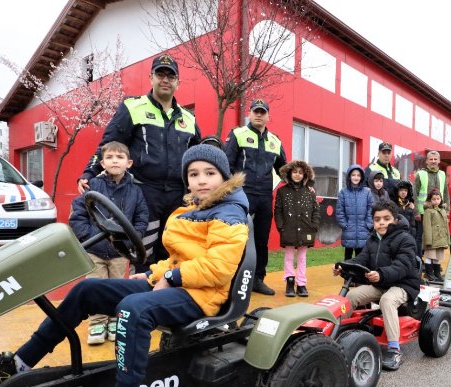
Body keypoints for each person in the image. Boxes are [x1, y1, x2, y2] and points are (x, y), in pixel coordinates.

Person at [0, 145, 249, 387]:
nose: (201, 180)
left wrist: (170, 276)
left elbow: (218, 268)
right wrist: (155, 273)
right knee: (88, 289)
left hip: (202, 295)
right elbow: (178, 259)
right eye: (194, 174)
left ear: (224, 177)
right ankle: (15, 365)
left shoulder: (230, 212)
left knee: (135, 308)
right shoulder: (190, 210)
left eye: (210, 173)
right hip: (177, 282)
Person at [77, 54, 201, 273]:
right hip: (145, 192)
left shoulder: (188, 119)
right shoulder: (133, 107)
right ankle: (140, 298)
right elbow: (108, 145)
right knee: (144, 252)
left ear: (178, 83)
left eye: (171, 76)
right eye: (160, 74)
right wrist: (89, 172)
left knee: (174, 249)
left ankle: (166, 297)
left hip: (178, 195)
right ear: (151, 77)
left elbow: (199, 155)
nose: (165, 79)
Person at [68, 141, 149, 345]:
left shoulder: (135, 191)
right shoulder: (93, 186)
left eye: (120, 157)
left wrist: (133, 238)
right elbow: (78, 213)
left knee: (116, 287)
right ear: (102, 163)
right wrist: (87, 236)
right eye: (110, 157)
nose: (115, 161)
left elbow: (141, 217)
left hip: (120, 251)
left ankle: (114, 320)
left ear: (128, 163)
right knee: (96, 286)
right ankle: (97, 322)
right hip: (94, 249)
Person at [333, 201, 421, 371]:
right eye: (377, 219)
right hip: (381, 283)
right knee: (352, 296)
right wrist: (343, 266)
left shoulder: (405, 239)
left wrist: (380, 274)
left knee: (387, 301)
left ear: (395, 219)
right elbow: (361, 259)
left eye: (386, 218)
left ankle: (394, 349)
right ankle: (337, 334)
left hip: (403, 284)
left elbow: (402, 266)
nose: (381, 222)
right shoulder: (372, 239)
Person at [224, 99, 287, 295]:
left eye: (262, 112)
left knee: (261, 240)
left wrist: (303, 185)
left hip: (265, 197)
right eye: (255, 111)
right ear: (250, 114)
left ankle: (257, 279)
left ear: (269, 116)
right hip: (241, 195)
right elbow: (227, 164)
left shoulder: (275, 141)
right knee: (237, 238)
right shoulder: (237, 134)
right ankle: (233, 279)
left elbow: (285, 170)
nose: (259, 115)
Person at [274, 160, 319, 298]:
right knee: (288, 256)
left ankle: (301, 283)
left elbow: (316, 210)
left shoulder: (310, 192)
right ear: (289, 173)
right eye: (295, 172)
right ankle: (290, 281)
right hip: (288, 229)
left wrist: (314, 225)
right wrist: (281, 227)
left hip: (306, 229)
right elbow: (278, 211)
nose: (297, 175)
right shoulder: (282, 191)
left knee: (302, 257)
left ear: (305, 175)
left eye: (300, 172)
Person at [336, 165, 375, 260]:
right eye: (353, 175)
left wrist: (368, 224)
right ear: (349, 176)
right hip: (348, 229)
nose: (356, 177)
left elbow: (372, 209)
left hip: (363, 230)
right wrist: (345, 225)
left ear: (361, 177)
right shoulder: (343, 192)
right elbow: (339, 211)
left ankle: (358, 274)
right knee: (348, 257)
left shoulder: (367, 193)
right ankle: (347, 274)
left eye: (358, 175)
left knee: (360, 256)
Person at [422, 189, 449, 282]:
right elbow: (427, 226)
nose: (436, 201)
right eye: (434, 199)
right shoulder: (428, 211)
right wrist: (428, 241)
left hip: (440, 238)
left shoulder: (443, 210)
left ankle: (437, 274)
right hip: (432, 239)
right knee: (429, 256)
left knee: (438, 257)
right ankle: (429, 274)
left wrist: (447, 239)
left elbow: (446, 226)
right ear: (430, 200)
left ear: (441, 199)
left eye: (438, 199)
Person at [392, 180, 420, 256]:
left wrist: (412, 236)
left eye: (405, 190)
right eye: (401, 190)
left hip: (408, 235)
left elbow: (413, 224)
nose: (403, 192)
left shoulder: (410, 205)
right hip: (396, 235)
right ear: (397, 191)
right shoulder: (393, 204)